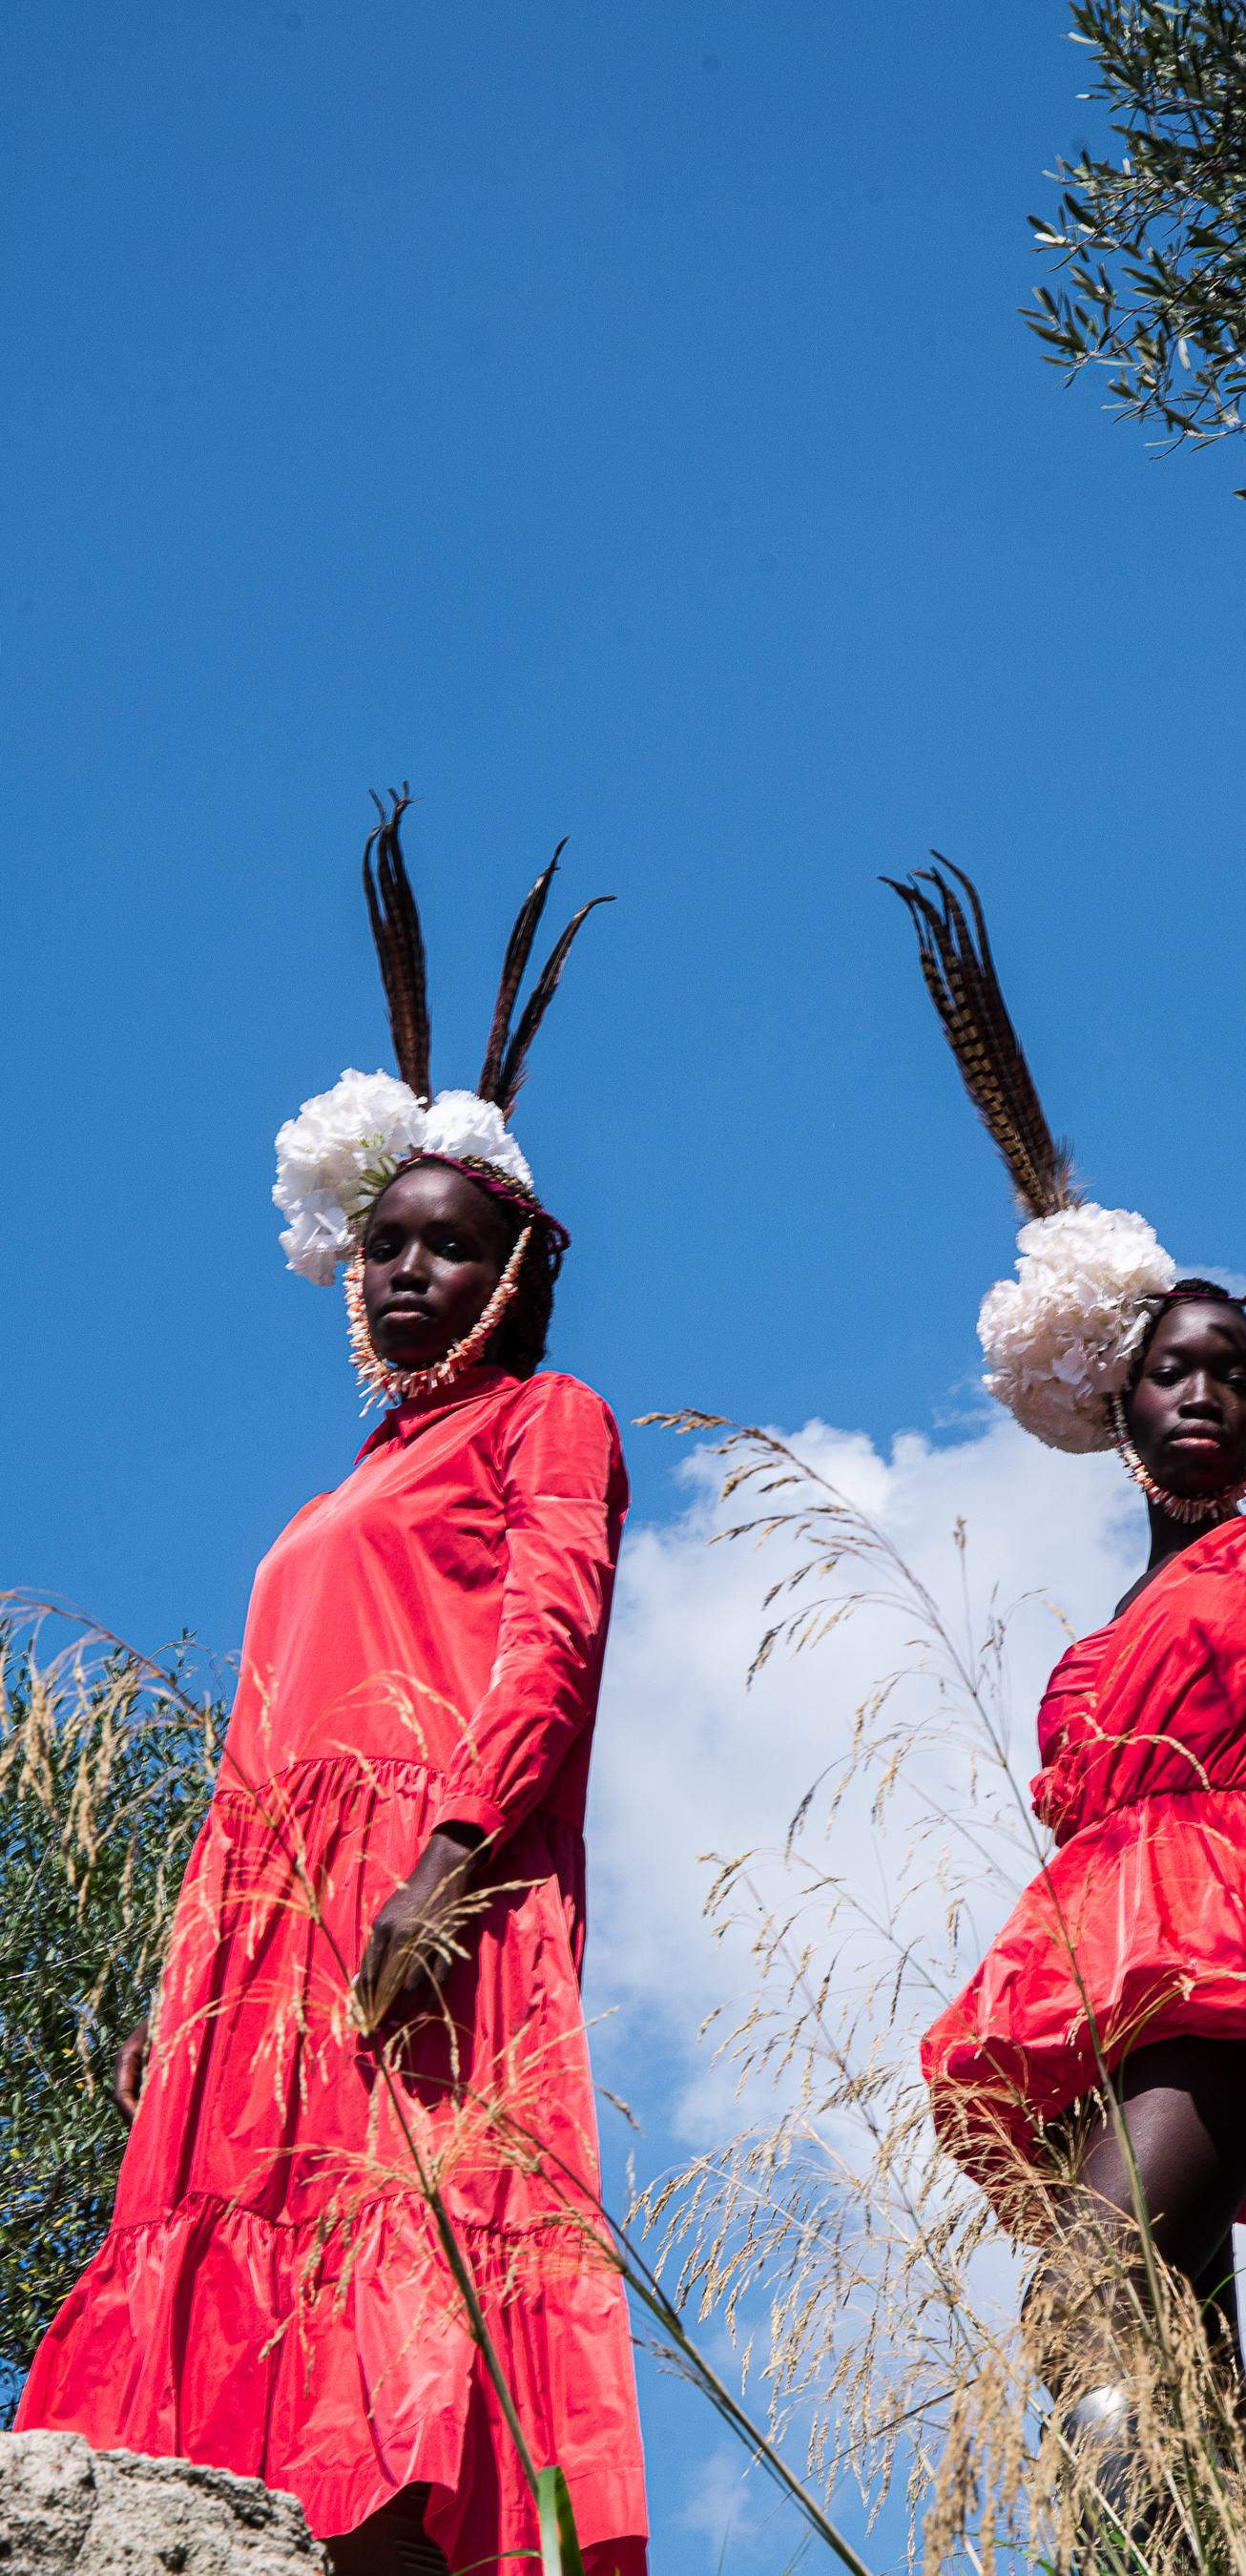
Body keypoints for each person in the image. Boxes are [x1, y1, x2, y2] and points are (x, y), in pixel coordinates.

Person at [19, 794, 649, 2576]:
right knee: (241, 2258)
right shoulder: (336, 1484)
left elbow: (550, 1651)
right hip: (262, 1909)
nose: (408, 1269)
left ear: (524, 1268)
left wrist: (447, 1869)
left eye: (449, 1242)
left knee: (411, 2246)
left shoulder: (553, 1419)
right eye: (385, 1245)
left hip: (423, 1884)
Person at [884, 863, 1246, 2470]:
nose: (1202, 1394)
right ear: (1112, 1407)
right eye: (1169, 1371)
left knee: (1088, 2287)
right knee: (1165, 2363)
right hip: (1095, 1971)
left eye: (1233, 1375)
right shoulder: (1084, 1667)